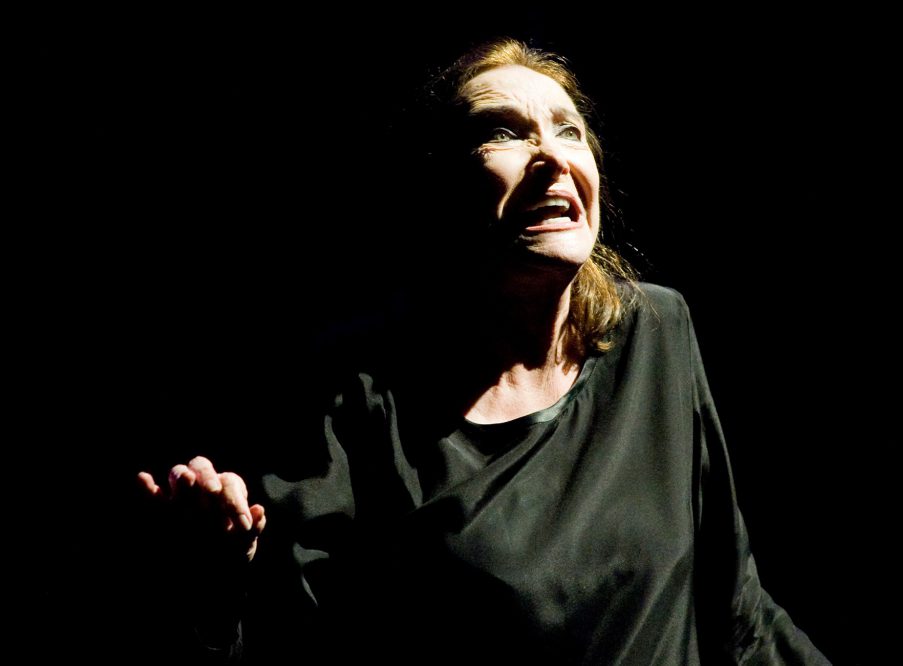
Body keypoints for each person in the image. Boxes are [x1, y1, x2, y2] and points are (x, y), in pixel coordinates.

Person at [138, 38, 831, 664]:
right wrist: (214, 593)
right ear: (437, 191)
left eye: (569, 131)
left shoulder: (656, 332)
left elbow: (738, 612)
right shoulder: (357, 402)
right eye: (502, 132)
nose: (553, 158)